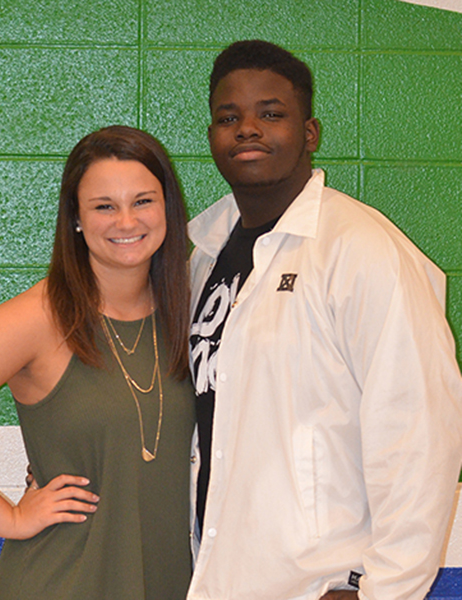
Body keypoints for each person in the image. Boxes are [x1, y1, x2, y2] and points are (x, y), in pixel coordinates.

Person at [187, 40, 462, 600]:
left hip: (324, 585)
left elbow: (420, 435)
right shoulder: (203, 255)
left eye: (271, 114)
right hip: (220, 576)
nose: (247, 129)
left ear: (309, 133)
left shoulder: (362, 249)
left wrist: (378, 588)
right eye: (228, 117)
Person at [0, 126, 195, 599]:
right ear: (77, 219)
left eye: (142, 201)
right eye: (104, 206)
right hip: (63, 582)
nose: (126, 221)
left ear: (167, 208)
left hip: (171, 581)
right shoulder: (39, 318)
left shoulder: (190, 309)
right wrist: (10, 517)